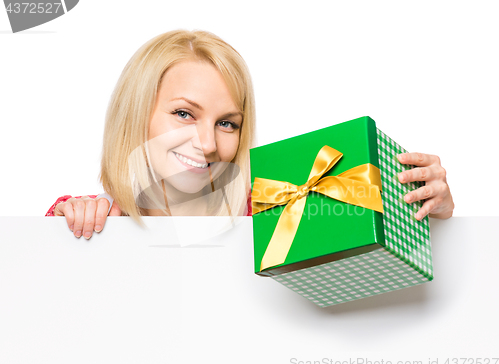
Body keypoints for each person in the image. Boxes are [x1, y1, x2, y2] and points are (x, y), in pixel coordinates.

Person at [46, 30, 454, 239]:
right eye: (184, 113)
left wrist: (430, 213)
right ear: (135, 116)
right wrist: (72, 224)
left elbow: (357, 243)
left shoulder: (273, 215)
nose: (207, 144)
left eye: (227, 123)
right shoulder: (102, 217)